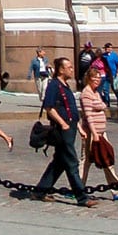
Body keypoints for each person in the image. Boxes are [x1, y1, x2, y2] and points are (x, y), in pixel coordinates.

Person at [32, 56, 93, 207]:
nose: (72, 69)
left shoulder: (65, 85)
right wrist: (63, 123)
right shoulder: (54, 85)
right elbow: (49, 108)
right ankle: (82, 197)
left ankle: (40, 191)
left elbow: (70, 110)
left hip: (70, 127)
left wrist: (78, 128)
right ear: (61, 69)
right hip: (62, 130)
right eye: (69, 67)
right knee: (72, 162)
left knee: (59, 162)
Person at [81, 61, 118, 200]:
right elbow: (88, 115)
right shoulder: (86, 94)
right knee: (87, 162)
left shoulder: (96, 93)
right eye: (94, 78)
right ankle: (78, 188)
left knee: (105, 159)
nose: (97, 80)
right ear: (89, 79)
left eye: (99, 78)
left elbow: (102, 105)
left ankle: (116, 190)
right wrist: (95, 134)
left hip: (101, 132)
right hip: (93, 133)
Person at [102, 41, 118, 113]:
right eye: (109, 48)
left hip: (113, 74)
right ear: (106, 48)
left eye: (111, 47)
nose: (110, 49)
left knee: (115, 88)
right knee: (105, 89)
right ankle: (107, 102)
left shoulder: (114, 55)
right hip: (106, 75)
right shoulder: (103, 56)